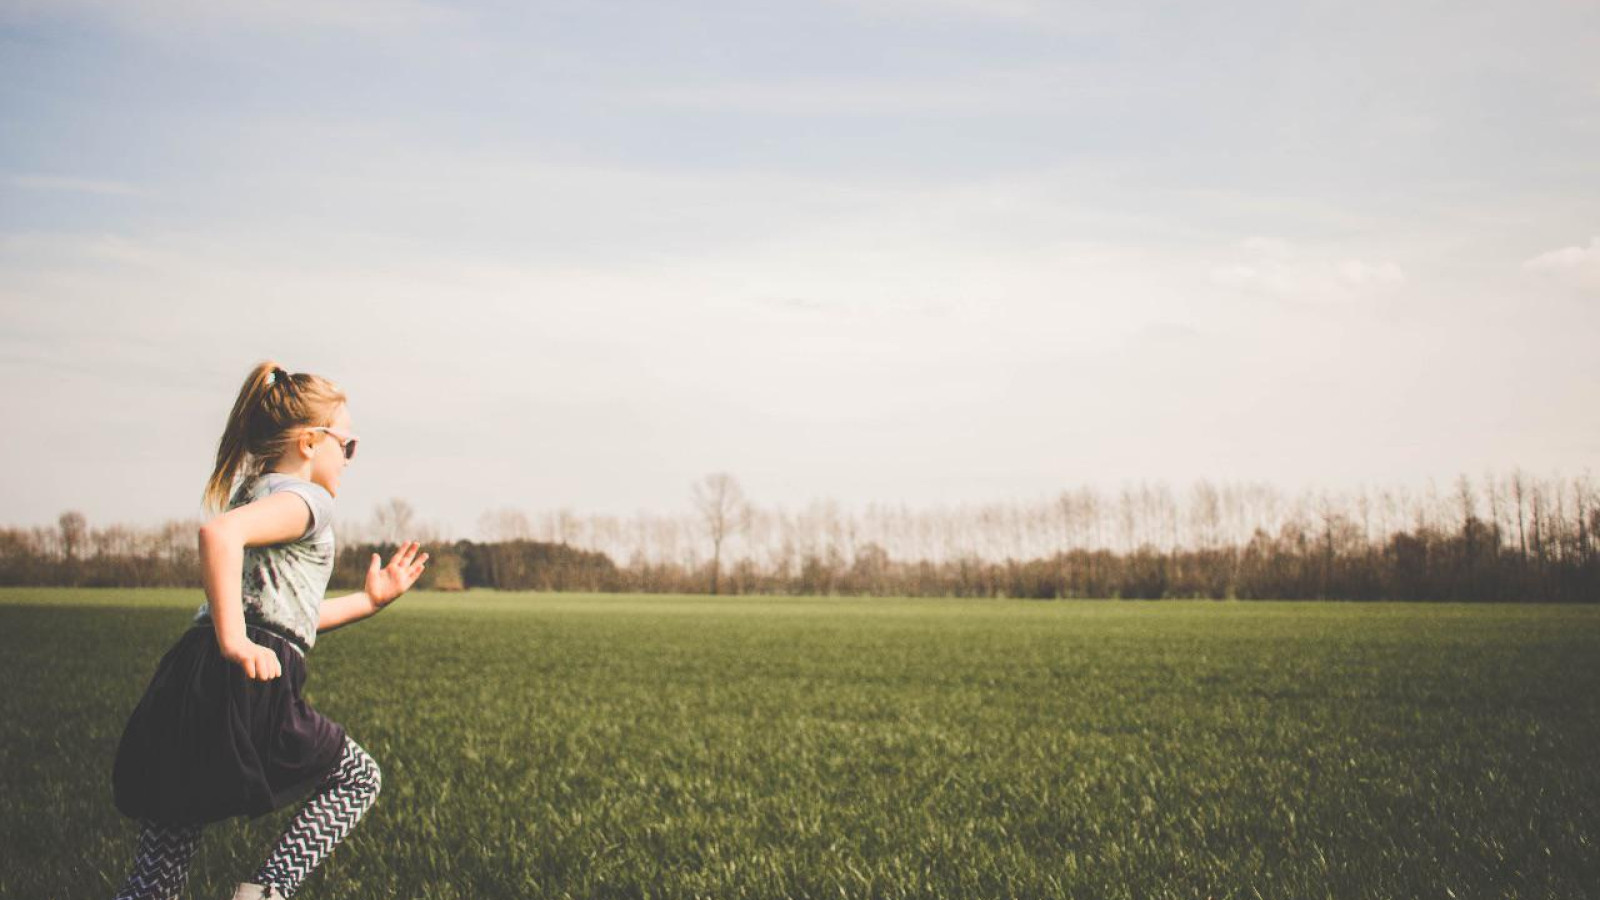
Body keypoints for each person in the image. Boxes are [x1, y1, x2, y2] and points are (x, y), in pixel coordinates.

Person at [108, 361, 429, 900]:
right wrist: (237, 644)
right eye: (347, 445)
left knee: (160, 867)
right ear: (310, 441)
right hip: (247, 680)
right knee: (358, 779)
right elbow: (219, 537)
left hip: (194, 674)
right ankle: (266, 891)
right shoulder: (310, 502)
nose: (350, 459)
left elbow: (282, 617)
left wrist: (368, 602)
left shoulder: (253, 491)